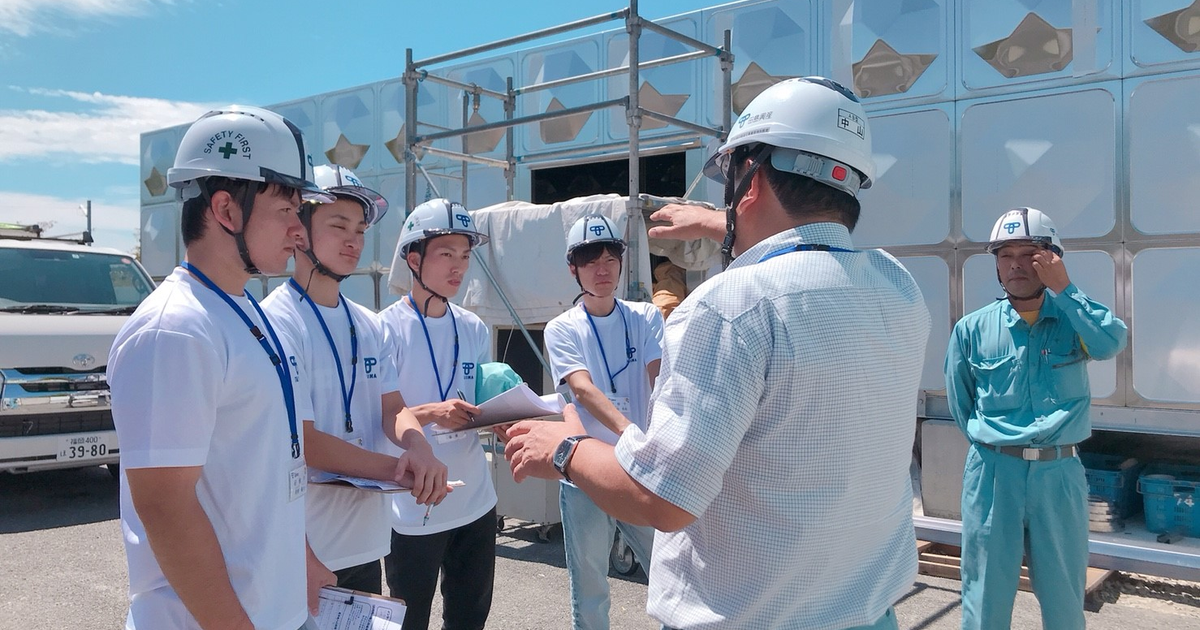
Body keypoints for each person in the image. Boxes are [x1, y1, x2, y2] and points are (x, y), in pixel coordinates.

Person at [502, 77, 930, 630]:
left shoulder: (730, 306)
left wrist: (564, 449)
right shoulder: (897, 286)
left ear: (751, 181)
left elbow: (661, 499)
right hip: (868, 613)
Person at [108, 106, 336, 629]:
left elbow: (269, 465)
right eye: (287, 209)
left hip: (275, 613)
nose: (300, 232)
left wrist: (300, 561)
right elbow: (166, 507)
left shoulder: (248, 310)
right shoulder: (174, 331)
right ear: (226, 210)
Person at [261, 164, 449, 595]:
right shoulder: (276, 322)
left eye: (361, 230)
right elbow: (303, 440)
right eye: (338, 225)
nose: (354, 241)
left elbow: (392, 407)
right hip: (303, 544)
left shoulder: (368, 324)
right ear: (299, 231)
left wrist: (419, 448)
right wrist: (400, 470)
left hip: (365, 541)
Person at [944, 207, 1128, 630]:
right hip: (994, 475)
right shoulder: (972, 330)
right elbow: (961, 403)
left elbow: (1110, 343)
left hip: (1058, 474)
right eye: (1005, 255)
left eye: (1030, 254)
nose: (1016, 265)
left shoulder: (1073, 320)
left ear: (1052, 260)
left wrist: (1065, 289)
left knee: (1064, 597)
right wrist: (998, 446)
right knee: (985, 596)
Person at [377, 198, 496, 630]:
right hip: (415, 505)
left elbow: (481, 396)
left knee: (470, 619)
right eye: (446, 254)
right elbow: (377, 415)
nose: (458, 267)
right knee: (410, 620)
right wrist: (433, 412)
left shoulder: (474, 327)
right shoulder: (384, 328)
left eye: (465, 255)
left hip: (476, 501)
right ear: (414, 259)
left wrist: (501, 415)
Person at [546, 214, 663, 630]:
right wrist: (631, 432)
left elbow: (660, 378)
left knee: (669, 575)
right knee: (590, 589)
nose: (602, 269)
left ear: (620, 263)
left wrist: (656, 441)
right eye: (590, 261)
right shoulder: (562, 328)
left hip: (640, 469)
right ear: (573, 269)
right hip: (587, 471)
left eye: (610, 259)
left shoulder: (646, 316)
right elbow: (582, 389)